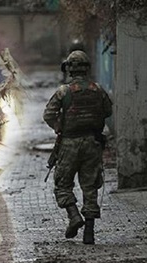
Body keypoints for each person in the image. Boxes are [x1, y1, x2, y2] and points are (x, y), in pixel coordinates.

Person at [43, 50, 113, 245]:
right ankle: (89, 231)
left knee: (63, 184)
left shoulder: (64, 92)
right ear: (87, 68)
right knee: (90, 186)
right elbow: (108, 111)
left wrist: (60, 126)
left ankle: (74, 216)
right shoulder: (98, 89)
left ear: (69, 69)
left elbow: (48, 115)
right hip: (92, 142)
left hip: (69, 144)